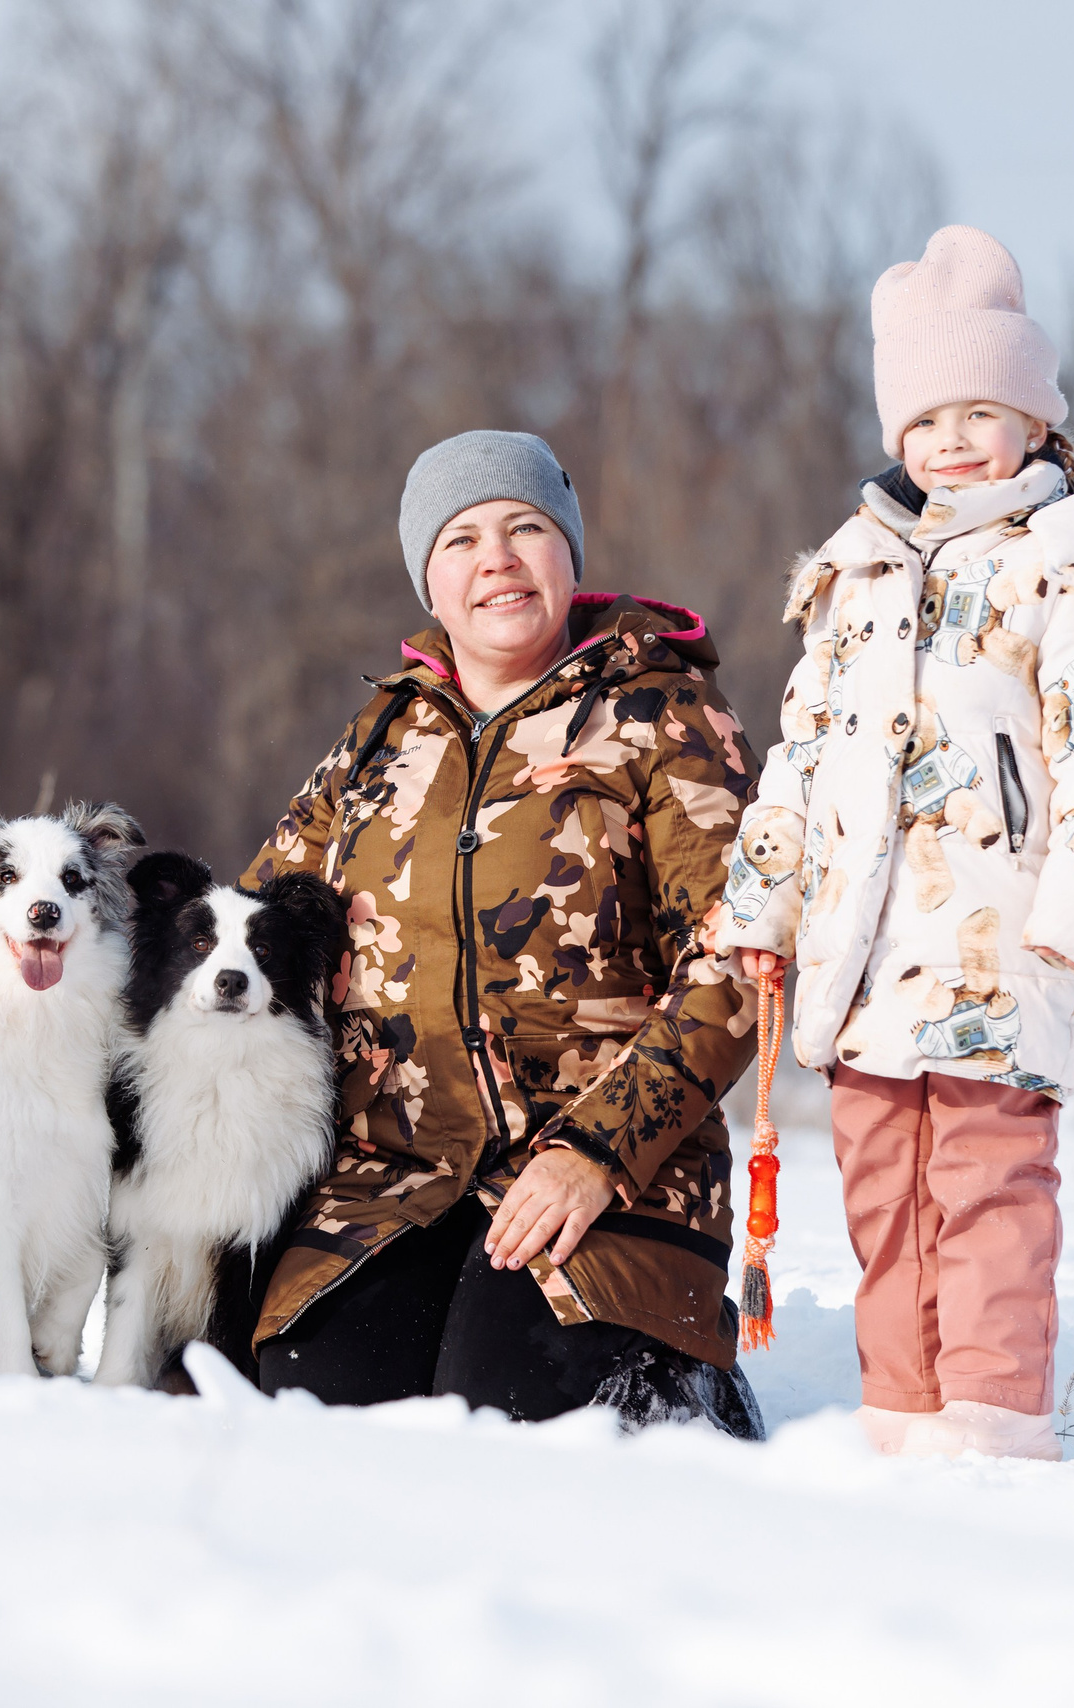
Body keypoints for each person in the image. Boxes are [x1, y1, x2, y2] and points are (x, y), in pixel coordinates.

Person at [704, 226, 1074, 1459]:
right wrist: (763, 905)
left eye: (982, 410)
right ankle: (900, 1409)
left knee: (984, 1177)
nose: (955, 440)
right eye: (927, 418)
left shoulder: (1067, 563)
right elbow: (801, 758)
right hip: (864, 950)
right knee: (880, 1180)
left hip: (998, 937)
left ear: (1032, 418)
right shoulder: (852, 576)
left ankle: (987, 1415)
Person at [241, 429, 764, 1435]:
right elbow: (253, 932)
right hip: (388, 1184)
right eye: (462, 539)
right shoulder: (378, 742)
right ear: (429, 584)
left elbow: (737, 960)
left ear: (569, 553)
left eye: (525, 528)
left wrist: (599, 1152)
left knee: (512, 1422)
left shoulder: (664, 716)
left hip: (612, 1181)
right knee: (315, 1416)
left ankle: (680, 1391)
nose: (497, 559)